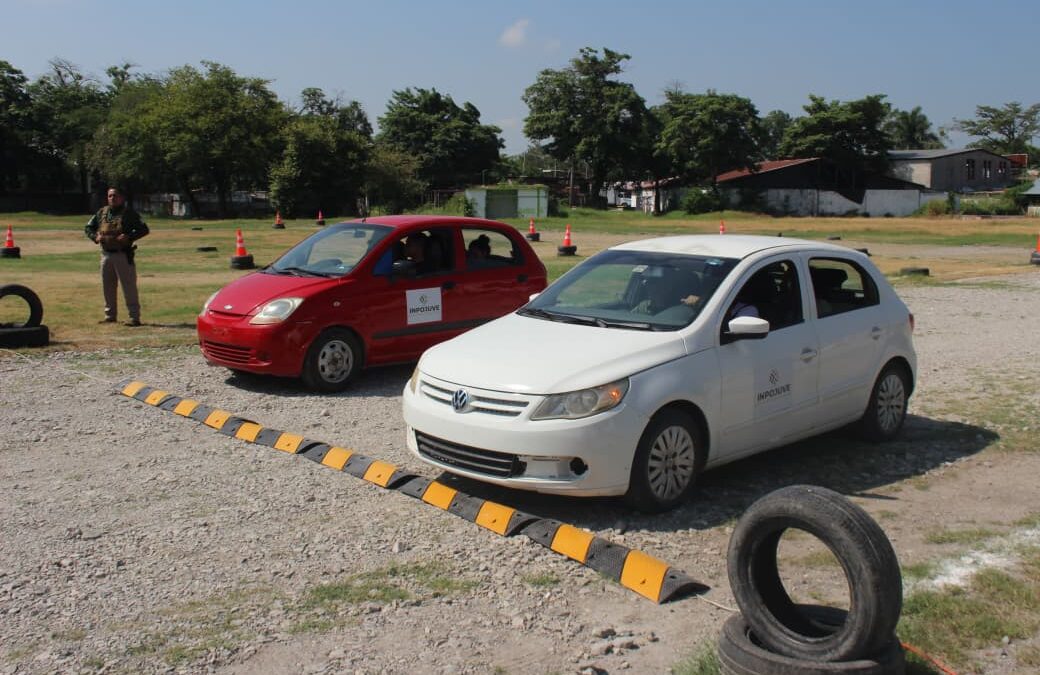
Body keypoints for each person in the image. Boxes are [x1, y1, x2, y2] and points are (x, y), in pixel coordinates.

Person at [84, 187, 149, 326]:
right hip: (106, 254)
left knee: (129, 287)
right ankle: (110, 315)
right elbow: (88, 227)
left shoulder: (129, 213)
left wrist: (129, 236)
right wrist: (96, 237)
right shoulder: (101, 212)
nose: (112, 198)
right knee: (107, 286)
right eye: (110, 196)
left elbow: (144, 229)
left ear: (122, 197)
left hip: (123, 255)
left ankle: (134, 317)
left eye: (115, 195)